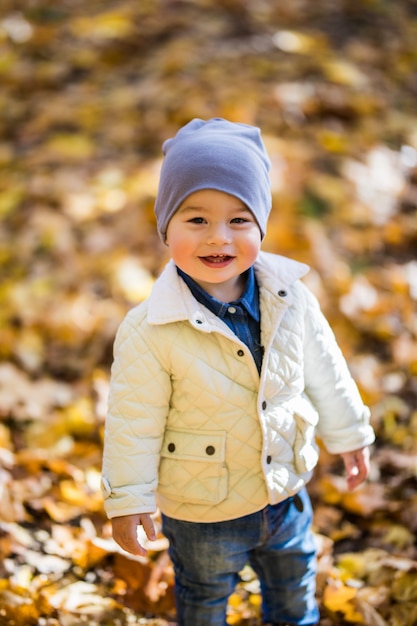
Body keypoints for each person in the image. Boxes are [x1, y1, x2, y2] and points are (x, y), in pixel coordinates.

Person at [101, 118, 375, 626]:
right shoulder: (150, 328)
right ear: (166, 227)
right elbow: (132, 420)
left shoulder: (290, 297)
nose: (218, 238)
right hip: (203, 511)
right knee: (204, 600)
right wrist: (128, 499)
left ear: (261, 226)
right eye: (196, 220)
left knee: (295, 593)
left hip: (285, 492)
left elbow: (324, 368)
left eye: (239, 220)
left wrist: (350, 432)